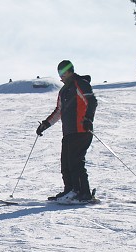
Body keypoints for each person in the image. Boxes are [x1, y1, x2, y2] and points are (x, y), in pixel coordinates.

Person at [36, 60, 98, 202]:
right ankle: (70, 190)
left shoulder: (80, 83)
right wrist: (45, 124)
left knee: (75, 162)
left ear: (70, 71)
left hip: (81, 129)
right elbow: (59, 111)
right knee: (66, 163)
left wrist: (88, 119)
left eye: (63, 73)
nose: (61, 76)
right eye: (59, 73)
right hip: (69, 132)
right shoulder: (63, 90)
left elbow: (91, 101)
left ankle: (82, 193)